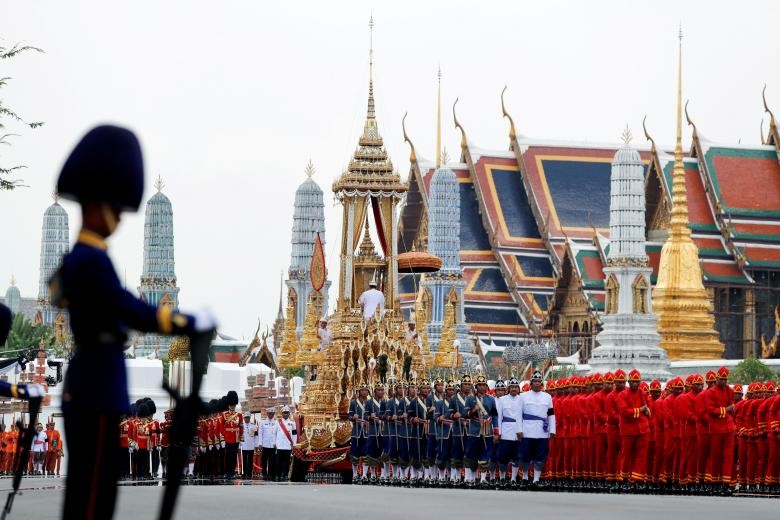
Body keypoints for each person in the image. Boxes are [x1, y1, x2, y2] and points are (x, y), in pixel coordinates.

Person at [52, 125, 215, 519]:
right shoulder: (90, 261)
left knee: (94, 495)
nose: (120, 218)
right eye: (116, 207)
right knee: (93, 499)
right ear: (98, 204)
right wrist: (179, 320)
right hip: (96, 388)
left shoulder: (86, 260)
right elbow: (129, 307)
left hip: (95, 385)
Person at [517, 370, 555, 487]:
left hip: (542, 432)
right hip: (527, 430)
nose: (537, 383)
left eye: (539, 381)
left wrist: (552, 430)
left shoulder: (547, 397)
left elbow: (551, 414)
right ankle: (524, 476)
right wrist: (519, 429)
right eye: (535, 381)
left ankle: (536, 479)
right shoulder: (523, 396)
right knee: (525, 456)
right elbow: (518, 414)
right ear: (531, 383)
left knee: (540, 456)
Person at [465, 374, 498, 487]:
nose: (482, 387)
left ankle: (483, 478)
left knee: (485, 454)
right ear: (476, 387)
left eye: (484, 385)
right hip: (474, 430)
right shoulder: (470, 399)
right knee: (472, 454)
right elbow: (466, 414)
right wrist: (474, 409)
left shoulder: (491, 399)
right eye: (480, 385)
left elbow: (494, 416)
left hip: (487, 430)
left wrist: (496, 432)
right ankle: (473, 478)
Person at [496, 377, 522, 487]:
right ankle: (502, 477)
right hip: (506, 431)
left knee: (516, 456)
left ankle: (513, 478)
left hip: (518, 431)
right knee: (503, 457)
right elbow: (499, 417)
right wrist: (499, 432)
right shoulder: (502, 400)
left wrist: (521, 430)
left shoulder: (522, 399)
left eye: (516, 387)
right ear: (509, 388)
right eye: (512, 387)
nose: (514, 389)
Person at [348, 383, 371, 482]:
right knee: (355, 454)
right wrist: (353, 417)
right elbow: (349, 415)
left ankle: (365, 474)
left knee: (366, 453)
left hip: (367, 431)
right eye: (362, 390)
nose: (364, 392)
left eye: (366, 390)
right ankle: (354, 474)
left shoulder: (370, 403)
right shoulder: (354, 403)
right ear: (359, 392)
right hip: (356, 431)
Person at [273, 406, 297, 481]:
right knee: (278, 462)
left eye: (287, 413)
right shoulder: (278, 422)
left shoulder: (292, 423)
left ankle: (285, 475)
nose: (285, 414)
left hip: (288, 445)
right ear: (282, 413)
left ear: (289, 413)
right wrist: (274, 443)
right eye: (284, 413)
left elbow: (294, 434)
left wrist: (294, 444)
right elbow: (274, 433)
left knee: (286, 462)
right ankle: (277, 475)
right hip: (279, 445)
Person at [222, 391, 242, 478]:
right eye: (231, 405)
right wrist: (223, 438)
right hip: (227, 438)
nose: (232, 406)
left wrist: (241, 438)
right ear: (228, 405)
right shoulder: (224, 415)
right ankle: (227, 472)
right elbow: (222, 427)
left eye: (233, 405)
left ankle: (232, 471)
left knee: (234, 456)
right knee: (228, 456)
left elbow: (241, 427)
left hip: (236, 438)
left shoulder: (239, 415)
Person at [239, 413, 258, 479]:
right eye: (246, 417)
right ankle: (243, 473)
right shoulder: (241, 425)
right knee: (243, 460)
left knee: (250, 460)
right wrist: (239, 445)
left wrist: (256, 445)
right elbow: (238, 435)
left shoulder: (253, 425)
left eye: (248, 417)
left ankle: (249, 473)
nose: (247, 419)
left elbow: (256, 436)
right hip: (243, 445)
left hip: (251, 445)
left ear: (250, 418)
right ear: (243, 418)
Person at [259, 407, 276, 480]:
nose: (270, 415)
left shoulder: (276, 422)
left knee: (272, 461)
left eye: (272, 413)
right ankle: (264, 473)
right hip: (265, 445)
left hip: (272, 445)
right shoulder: (262, 422)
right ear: (267, 413)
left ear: (274, 414)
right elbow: (260, 433)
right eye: (269, 413)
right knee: (264, 461)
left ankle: (270, 474)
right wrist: (260, 443)